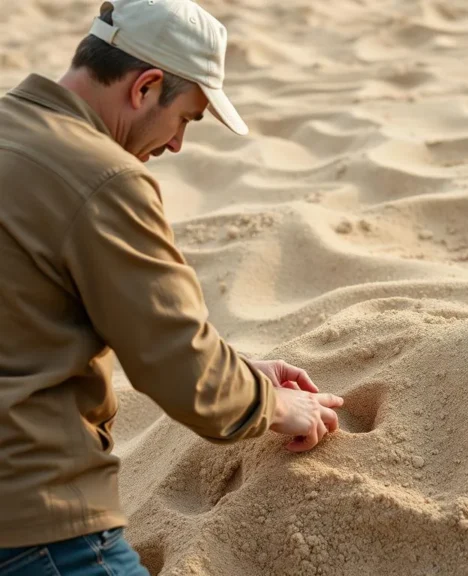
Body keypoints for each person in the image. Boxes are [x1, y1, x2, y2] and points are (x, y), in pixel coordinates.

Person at [0, 0, 344, 573]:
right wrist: (274, 404)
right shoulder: (103, 178)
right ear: (146, 86)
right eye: (187, 117)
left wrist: (238, 370)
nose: (178, 144)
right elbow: (179, 366)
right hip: (40, 525)